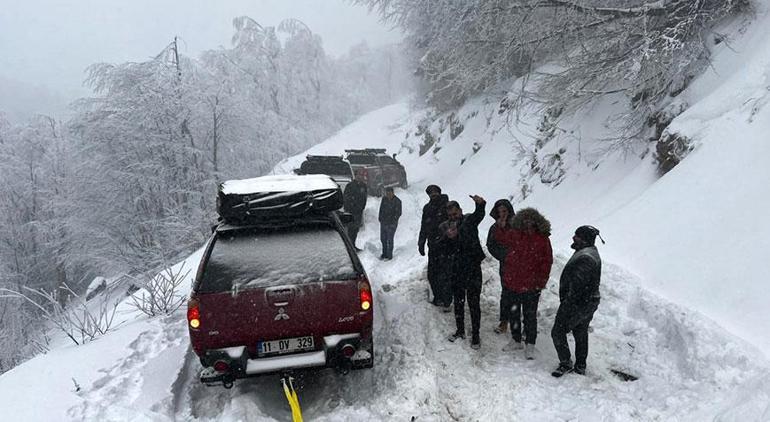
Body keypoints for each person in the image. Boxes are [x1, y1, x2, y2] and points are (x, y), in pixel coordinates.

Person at [496, 208, 553, 360]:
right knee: (514, 313)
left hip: (531, 285)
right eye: (525, 220)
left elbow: (547, 262)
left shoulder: (542, 239)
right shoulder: (515, 233)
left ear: (536, 222)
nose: (528, 223)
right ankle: (516, 340)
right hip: (513, 282)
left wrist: (541, 281)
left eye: (531, 220)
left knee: (530, 316)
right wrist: (501, 227)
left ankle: (530, 344)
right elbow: (501, 239)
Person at [551, 225, 604, 377]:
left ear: (584, 239)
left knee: (558, 332)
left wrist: (567, 304)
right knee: (580, 332)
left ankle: (566, 363)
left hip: (578, 303)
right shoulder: (589, 252)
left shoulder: (586, 258)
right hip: (588, 302)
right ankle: (580, 366)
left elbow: (578, 286)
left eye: (577, 236)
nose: (573, 237)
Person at [440, 195, 486, 349]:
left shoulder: (468, 221)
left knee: (474, 303)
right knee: (458, 302)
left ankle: (476, 335)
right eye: (451, 215)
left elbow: (479, 215)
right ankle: (460, 330)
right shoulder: (446, 227)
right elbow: (442, 248)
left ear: (460, 210)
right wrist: (447, 238)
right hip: (456, 269)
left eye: (455, 213)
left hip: (473, 268)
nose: (453, 217)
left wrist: (480, 204)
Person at [418, 185, 450, 308]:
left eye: (435, 192)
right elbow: (424, 226)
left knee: (446, 273)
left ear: (439, 193)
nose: (433, 194)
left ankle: (447, 300)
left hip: (447, 246)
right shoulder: (427, 208)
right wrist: (421, 242)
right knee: (433, 273)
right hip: (433, 246)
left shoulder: (447, 206)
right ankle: (438, 297)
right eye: (431, 193)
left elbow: (454, 222)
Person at [486, 199, 515, 335]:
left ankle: (520, 324)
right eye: (499, 212)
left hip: (520, 264)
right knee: (506, 292)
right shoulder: (494, 228)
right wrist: (504, 256)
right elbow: (491, 245)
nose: (502, 214)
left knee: (521, 294)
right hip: (505, 264)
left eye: (504, 211)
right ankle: (504, 321)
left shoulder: (517, 225)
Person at [343, 170, 368, 251]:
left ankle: (353, 245)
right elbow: (346, 198)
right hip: (351, 211)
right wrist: (349, 208)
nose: (360, 177)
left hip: (359, 211)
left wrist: (362, 207)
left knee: (355, 230)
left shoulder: (363, 186)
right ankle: (349, 247)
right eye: (359, 175)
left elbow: (364, 198)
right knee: (350, 230)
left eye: (361, 175)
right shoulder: (350, 186)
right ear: (355, 175)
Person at [378, 187, 402, 260]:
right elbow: (381, 209)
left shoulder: (397, 201)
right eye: (387, 193)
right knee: (383, 239)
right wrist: (380, 218)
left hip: (392, 224)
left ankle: (389, 255)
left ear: (393, 193)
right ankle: (384, 253)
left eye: (389, 193)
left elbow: (398, 213)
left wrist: (393, 220)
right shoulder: (384, 199)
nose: (388, 194)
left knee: (389, 239)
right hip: (383, 222)